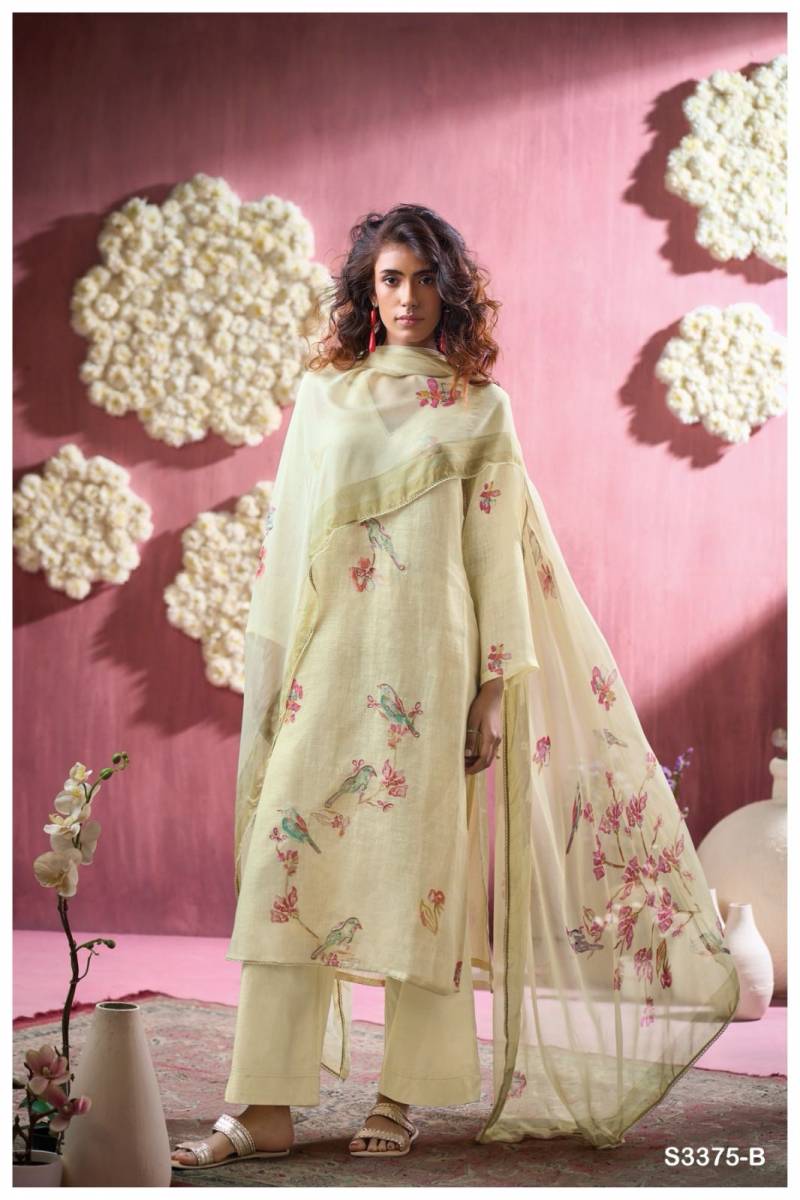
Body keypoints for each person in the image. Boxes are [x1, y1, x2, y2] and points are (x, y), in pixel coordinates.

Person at [171, 205, 739, 1170]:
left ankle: (401, 1093)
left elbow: (494, 559)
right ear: (366, 292)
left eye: (425, 279)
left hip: (430, 670)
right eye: (390, 280)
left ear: (452, 291)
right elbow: (289, 543)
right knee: (285, 870)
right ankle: (263, 1104)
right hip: (329, 663)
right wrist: (274, 677)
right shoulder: (325, 397)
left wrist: (492, 690)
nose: (408, 298)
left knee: (419, 879)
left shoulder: (480, 409)